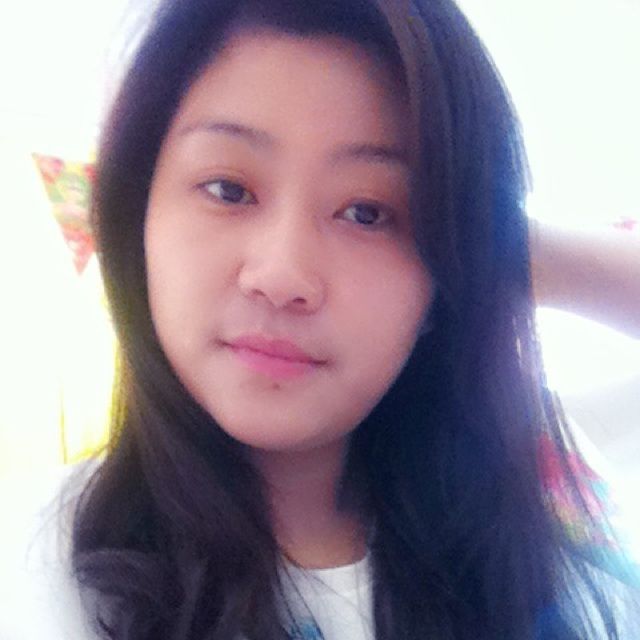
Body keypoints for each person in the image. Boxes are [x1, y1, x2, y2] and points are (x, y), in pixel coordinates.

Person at [1, 0, 639, 638]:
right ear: (136, 216)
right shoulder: (29, 576)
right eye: (228, 189)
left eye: (368, 213)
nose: (282, 276)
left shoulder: (551, 541)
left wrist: (486, 238)